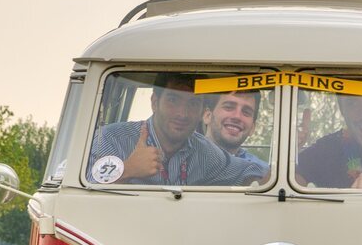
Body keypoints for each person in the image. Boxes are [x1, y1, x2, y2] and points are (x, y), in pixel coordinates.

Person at [88, 74, 267, 186]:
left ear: (202, 111)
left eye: (193, 103)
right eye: (173, 100)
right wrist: (128, 170)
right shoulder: (111, 138)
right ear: (154, 102)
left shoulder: (204, 152)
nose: (183, 113)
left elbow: (249, 171)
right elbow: (79, 195)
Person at [201, 91, 269, 177]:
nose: (237, 117)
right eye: (229, 107)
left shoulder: (263, 174)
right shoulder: (182, 159)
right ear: (207, 116)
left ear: (252, 128)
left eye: (246, 112)